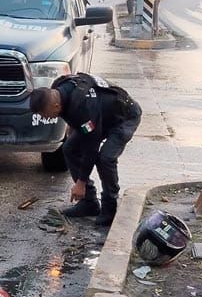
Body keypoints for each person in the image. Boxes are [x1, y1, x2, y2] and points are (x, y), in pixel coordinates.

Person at [28, 73, 141, 226]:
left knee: (105, 158)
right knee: (69, 148)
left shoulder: (83, 107)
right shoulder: (58, 87)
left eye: (45, 114)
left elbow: (91, 147)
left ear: (55, 106)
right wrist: (73, 124)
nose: (45, 118)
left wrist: (80, 183)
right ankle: (89, 203)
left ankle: (109, 207)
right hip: (100, 116)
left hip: (124, 117)